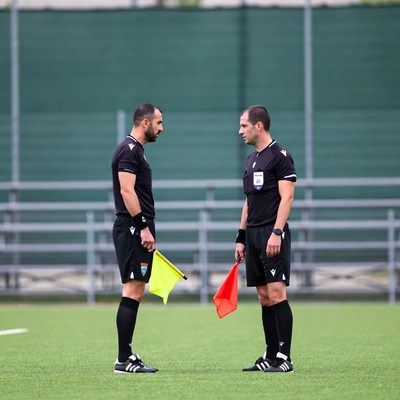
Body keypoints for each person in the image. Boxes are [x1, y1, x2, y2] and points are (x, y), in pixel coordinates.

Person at [235, 105, 297, 373]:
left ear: (258, 126)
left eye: (244, 126)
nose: (240, 131)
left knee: (276, 293)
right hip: (254, 235)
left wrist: (277, 232)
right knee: (263, 296)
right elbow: (248, 202)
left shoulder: (280, 156)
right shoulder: (251, 160)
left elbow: (287, 198)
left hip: (272, 233)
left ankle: (285, 357)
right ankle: (270, 355)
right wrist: (241, 237)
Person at [111, 103, 163, 373]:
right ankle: (123, 359)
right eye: (158, 123)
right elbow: (127, 191)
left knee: (137, 289)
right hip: (132, 227)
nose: (161, 128)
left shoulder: (136, 151)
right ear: (145, 123)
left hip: (136, 227)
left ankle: (126, 355)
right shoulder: (129, 150)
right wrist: (143, 227)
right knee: (132, 289)